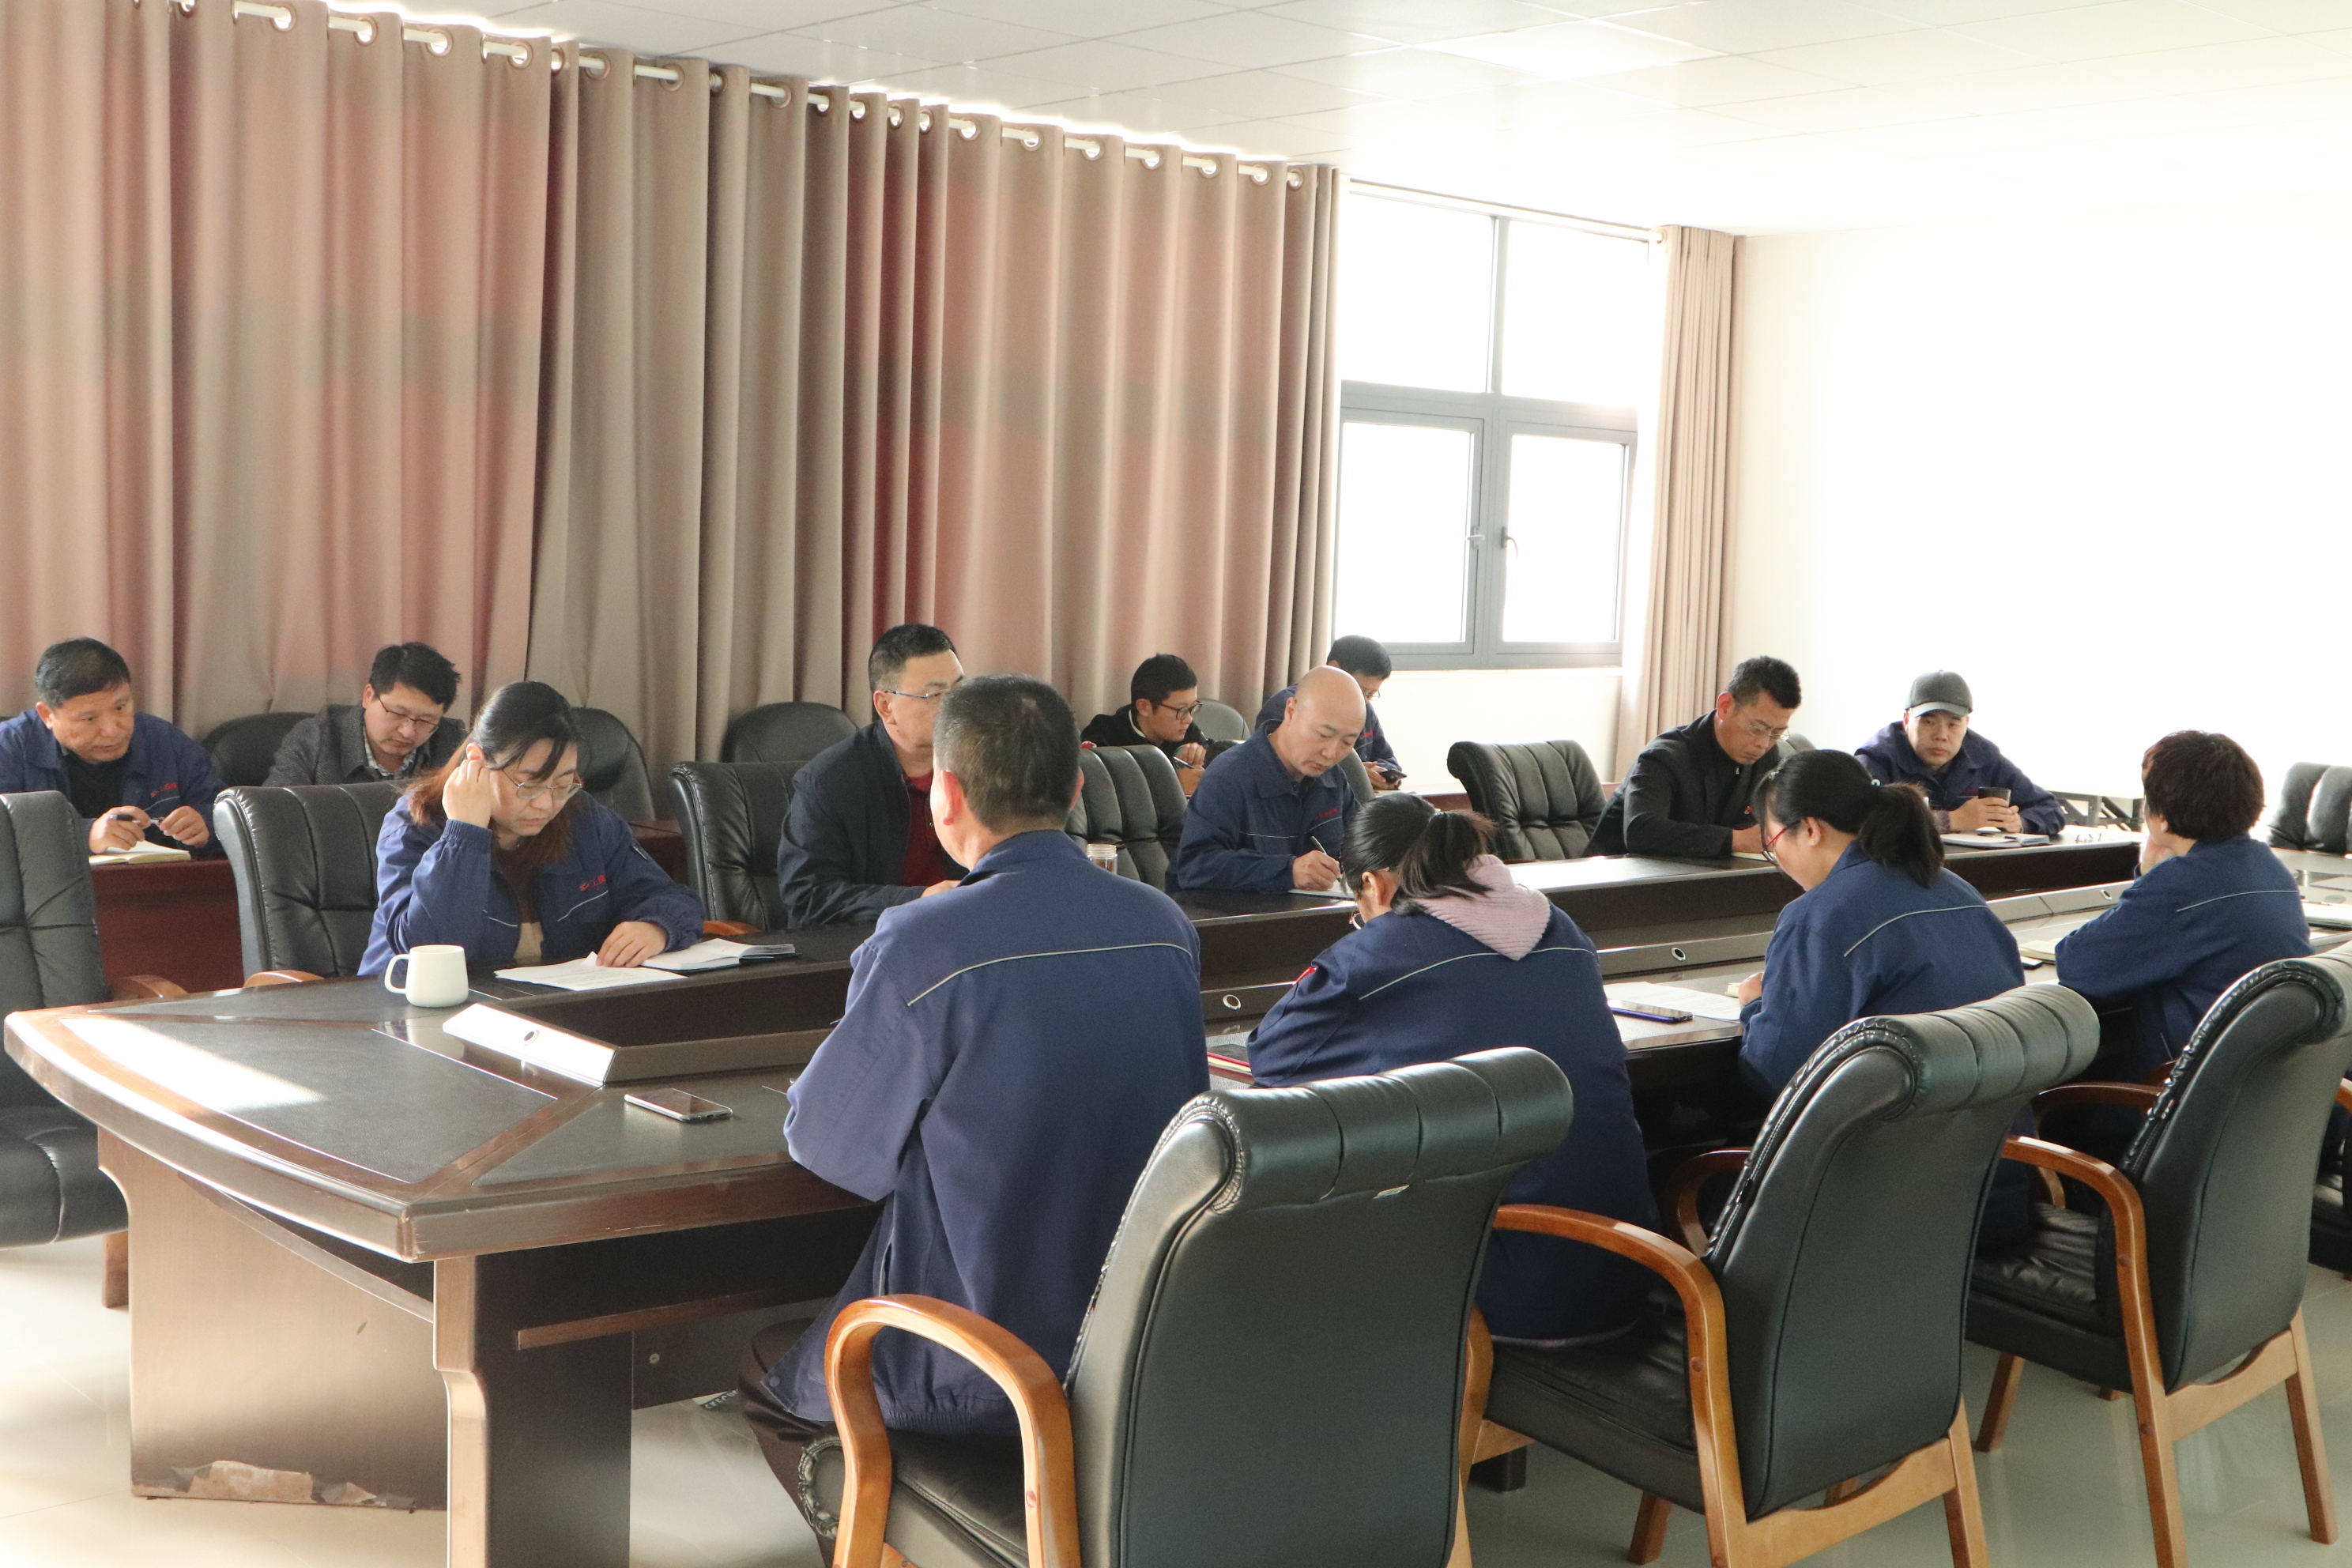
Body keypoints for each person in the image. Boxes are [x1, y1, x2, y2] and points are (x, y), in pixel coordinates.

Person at [741, 676, 1208, 1549]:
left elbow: (832, 1149)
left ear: (946, 794)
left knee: (774, 1377)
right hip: (1139, 1351)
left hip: (983, 1364)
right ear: (1077, 787)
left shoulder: (924, 940)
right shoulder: (1163, 925)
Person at [1249, 794, 1658, 1343]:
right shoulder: (1560, 927)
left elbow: (1273, 1058)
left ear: (1373, 885)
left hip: (1502, 1292)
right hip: (1630, 1263)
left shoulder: (1379, 951)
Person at [360, 681, 702, 975]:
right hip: (410, 1013)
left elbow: (673, 898)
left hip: (544, 1009)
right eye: (529, 785)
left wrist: (657, 926)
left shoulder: (586, 820)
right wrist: (464, 835)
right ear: (477, 761)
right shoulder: (415, 824)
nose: (546, 804)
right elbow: (429, 951)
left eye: (563, 784)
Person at [1735, 749, 2022, 1097]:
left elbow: (1779, 1072)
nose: (1778, 861)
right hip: (1995, 1126)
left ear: (1810, 829)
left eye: (1772, 844)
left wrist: (1755, 1005)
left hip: (1892, 1128)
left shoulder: (1818, 916)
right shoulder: (1957, 889)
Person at [2056, 732, 2309, 1082]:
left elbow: (2077, 964)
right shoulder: (2268, 866)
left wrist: (2148, 879)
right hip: (2268, 1087)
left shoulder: (2183, 884)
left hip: (2190, 1093)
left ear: (2162, 818)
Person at [773, 624, 967, 927]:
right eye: (936, 694)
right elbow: (808, 898)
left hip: (968, 934)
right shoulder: (829, 782)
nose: (955, 706)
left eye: (960, 689)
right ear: (886, 706)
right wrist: (919, 900)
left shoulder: (982, 765)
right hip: (872, 944)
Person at [0, 638, 223, 854]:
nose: (112, 730)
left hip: (152, 878)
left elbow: (225, 811)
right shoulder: (10, 747)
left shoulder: (164, 740)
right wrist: (84, 835)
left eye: (120, 708)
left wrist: (206, 825)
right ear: (47, 715)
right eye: (89, 718)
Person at [1173, 665, 1364, 894]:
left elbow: (1365, 845)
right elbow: (1195, 867)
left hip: (1320, 910)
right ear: (1291, 711)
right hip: (1240, 914)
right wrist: (1289, 871)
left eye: (1347, 742)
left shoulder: (1333, 778)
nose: (1331, 753)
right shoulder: (1228, 778)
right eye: (1323, 735)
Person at [1589, 656, 1802, 860]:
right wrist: (1734, 839)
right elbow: (1641, 831)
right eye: (1757, 728)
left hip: (1705, 874)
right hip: (1615, 877)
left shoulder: (1767, 758)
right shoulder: (1664, 756)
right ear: (1725, 706)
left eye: (1776, 733)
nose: (1764, 743)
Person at [1856, 671, 2064, 837]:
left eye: (1953, 724)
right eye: (1929, 721)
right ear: (1907, 721)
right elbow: (1862, 822)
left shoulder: (1983, 756)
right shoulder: (1875, 759)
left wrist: (2019, 823)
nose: (1941, 735)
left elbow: (2049, 808)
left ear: (1966, 725)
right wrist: (1951, 820)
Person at [266, 641, 466, 786]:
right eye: (397, 713)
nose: (408, 732)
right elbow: (275, 816)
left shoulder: (455, 745)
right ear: (368, 696)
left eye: (425, 720)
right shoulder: (315, 739)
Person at [1257, 634, 1404, 788]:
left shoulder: (1363, 709)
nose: (1364, 701)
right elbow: (1279, 765)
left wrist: (1383, 774)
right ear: (1335, 668)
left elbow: (1388, 759)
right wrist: (1356, 773)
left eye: (1371, 695)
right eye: (1362, 690)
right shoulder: (1288, 705)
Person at [1079, 652, 1233, 797]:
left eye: (1193, 708)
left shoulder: (1187, 731)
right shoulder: (1104, 736)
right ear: (1144, 707)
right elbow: (1098, 794)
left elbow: (1226, 760)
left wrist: (1203, 756)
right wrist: (1173, 787)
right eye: (1181, 710)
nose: (1189, 719)